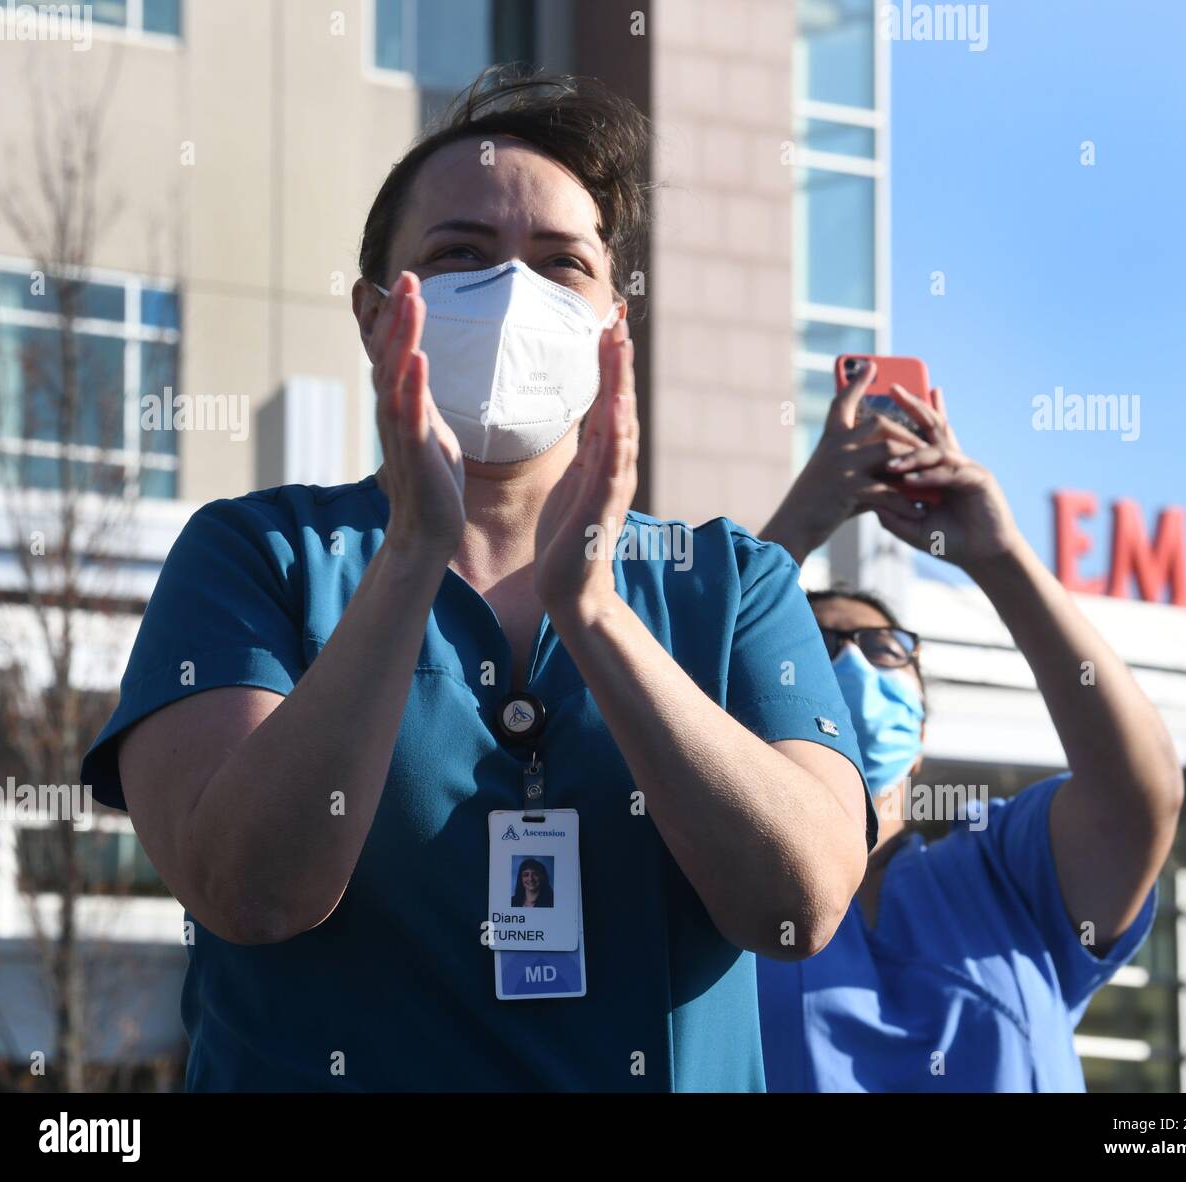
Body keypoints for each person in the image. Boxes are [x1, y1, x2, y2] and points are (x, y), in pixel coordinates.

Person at [80, 69, 877, 1093]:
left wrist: (592, 615)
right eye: (459, 255)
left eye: (560, 266)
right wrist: (411, 559)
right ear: (375, 315)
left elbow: (797, 905)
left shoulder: (732, 583)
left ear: (612, 328)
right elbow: (251, 890)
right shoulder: (255, 557)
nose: (512, 296)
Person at [755, 361, 1184, 1091]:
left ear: (920, 731)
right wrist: (799, 522)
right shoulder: (719, 887)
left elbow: (1137, 797)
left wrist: (999, 556)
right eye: (821, 646)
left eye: (887, 650)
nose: (854, 663)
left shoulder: (1003, 872)